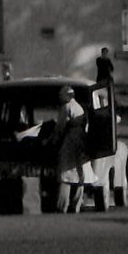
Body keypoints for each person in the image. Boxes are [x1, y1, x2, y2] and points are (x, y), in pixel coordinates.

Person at [53, 84, 92, 214]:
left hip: (70, 141)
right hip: (81, 140)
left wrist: (53, 141)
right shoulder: (79, 107)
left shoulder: (66, 107)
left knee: (65, 174)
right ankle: (76, 205)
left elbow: (60, 127)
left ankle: (62, 206)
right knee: (80, 173)